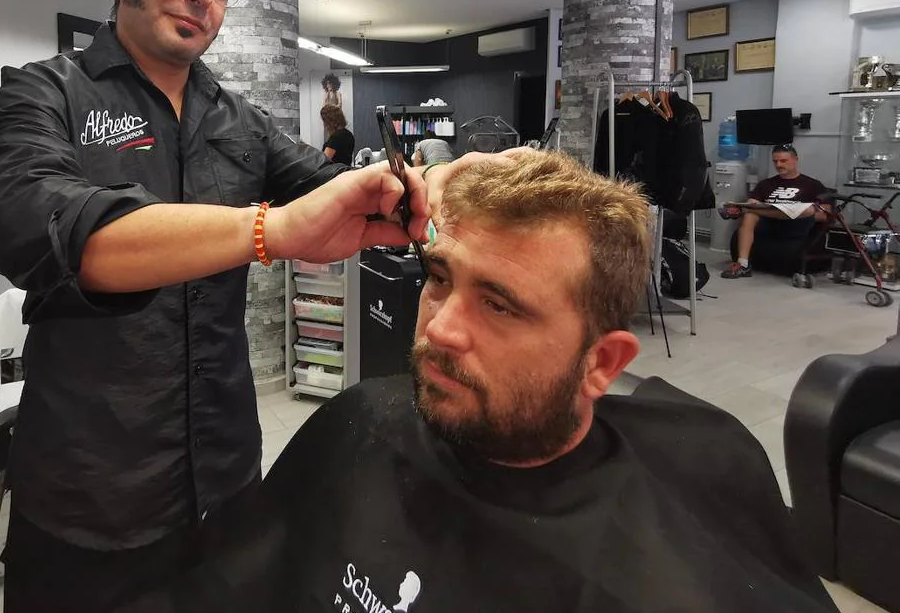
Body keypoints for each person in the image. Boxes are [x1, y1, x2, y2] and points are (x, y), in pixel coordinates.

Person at [0, 0, 430, 613]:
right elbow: (34, 222)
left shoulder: (238, 120)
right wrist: (267, 231)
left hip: (223, 478)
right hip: (88, 495)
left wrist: (422, 184)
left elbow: (332, 184)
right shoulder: (46, 94)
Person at [121, 149, 836, 613]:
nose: (439, 329)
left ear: (603, 363)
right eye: (439, 279)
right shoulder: (361, 420)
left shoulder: (675, 564)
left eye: (500, 303)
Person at [721, 143, 828, 279]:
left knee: (808, 209)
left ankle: (745, 211)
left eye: (783, 161)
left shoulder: (812, 185)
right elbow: (752, 203)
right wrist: (748, 206)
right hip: (769, 224)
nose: (778, 165)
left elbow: (826, 213)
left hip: (796, 225)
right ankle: (743, 265)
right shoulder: (765, 184)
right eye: (775, 161)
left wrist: (809, 214)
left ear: (795, 159)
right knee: (750, 214)